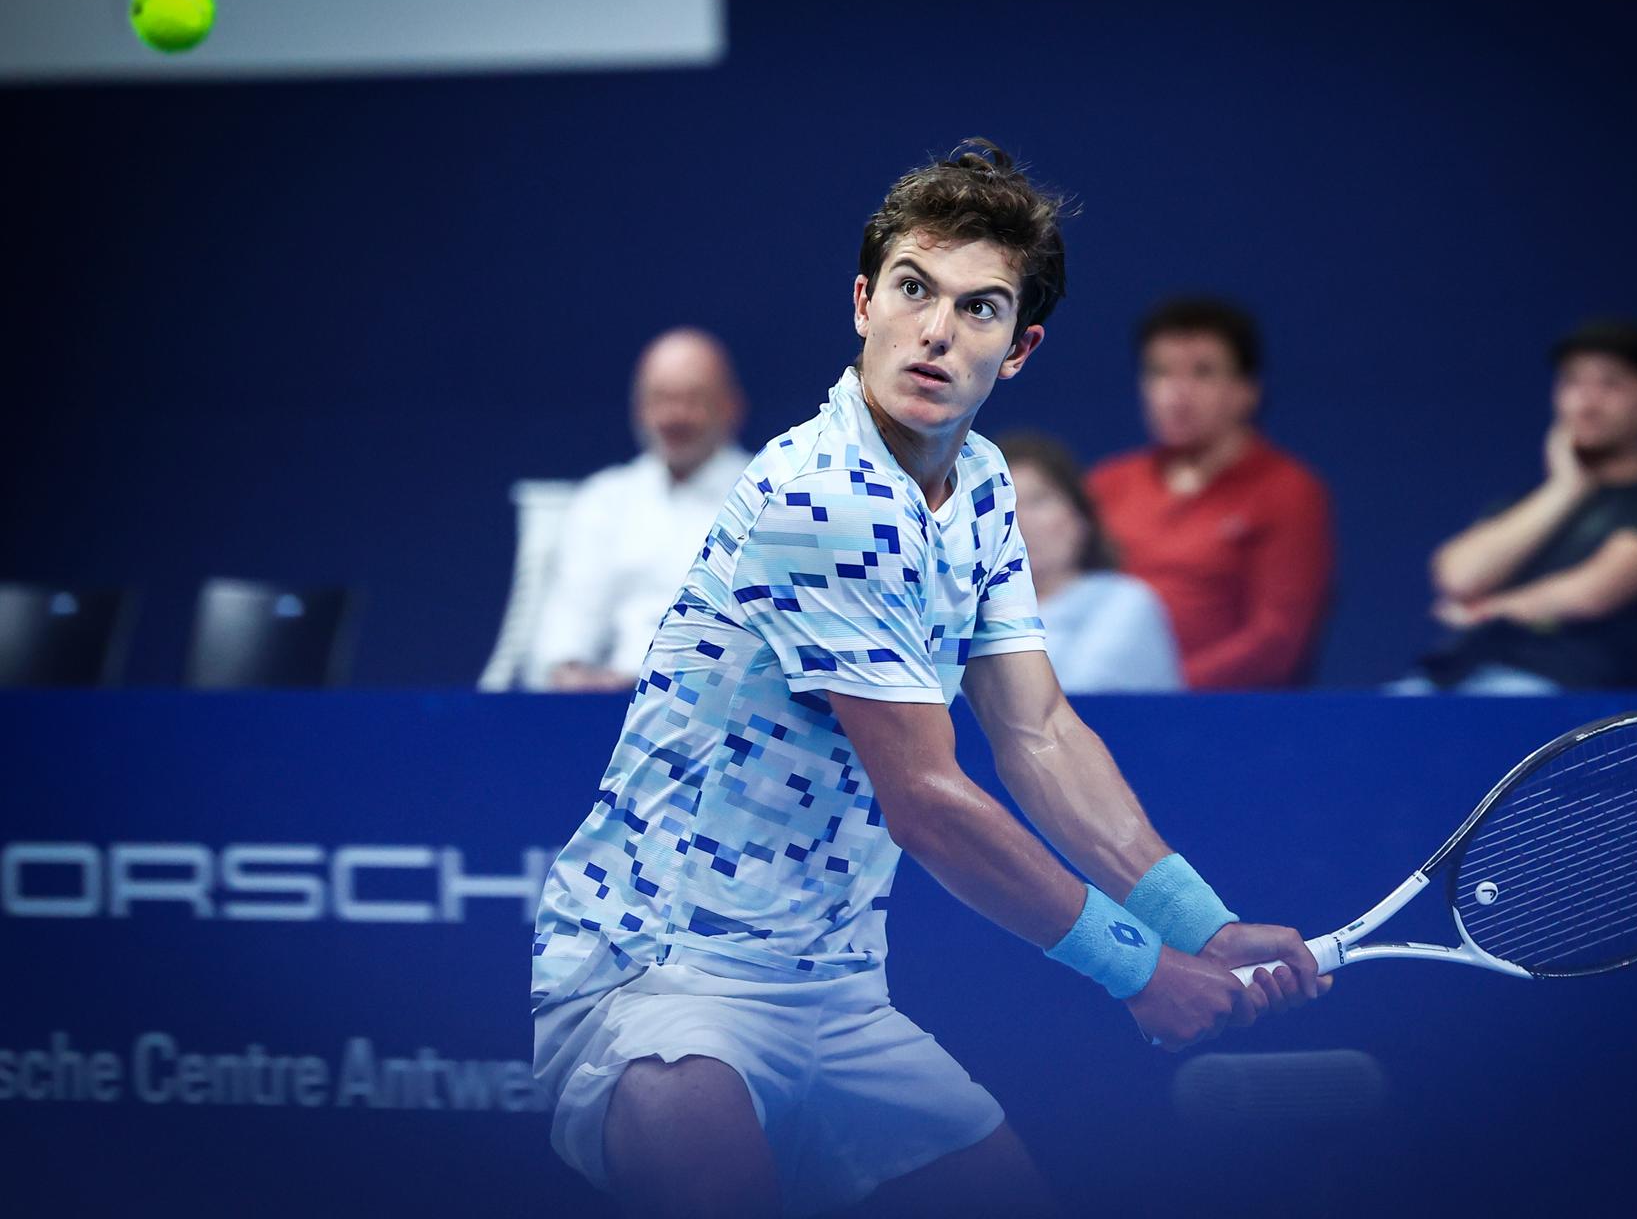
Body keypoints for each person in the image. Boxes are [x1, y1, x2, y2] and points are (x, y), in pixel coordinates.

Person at [530, 142, 1325, 1219]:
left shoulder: (984, 481)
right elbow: (929, 802)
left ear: (1021, 346)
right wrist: (1138, 967)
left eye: (980, 307)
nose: (938, 330)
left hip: (837, 986)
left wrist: (1199, 922)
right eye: (914, 289)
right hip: (660, 972)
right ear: (864, 302)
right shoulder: (827, 496)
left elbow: (1038, 731)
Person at [1395, 319, 1637, 694]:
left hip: (1572, 693)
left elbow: (1592, 592)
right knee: (1383, 708)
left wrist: (1487, 610)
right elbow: (1459, 576)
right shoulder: (1530, 502)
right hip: (1459, 678)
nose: (1587, 403)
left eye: (1611, 385)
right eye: (1573, 383)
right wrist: (1564, 488)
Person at [1087, 298, 1333, 689]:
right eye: (1160, 372)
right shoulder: (1107, 483)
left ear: (1247, 391)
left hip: (1223, 714)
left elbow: (1278, 641)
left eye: (1203, 372)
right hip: (1101, 703)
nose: (1177, 393)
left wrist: (1160, 689)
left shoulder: (1288, 490)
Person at [528, 329, 749, 692]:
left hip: (726, 702)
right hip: (613, 704)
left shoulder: (763, 495)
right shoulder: (604, 499)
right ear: (640, 408)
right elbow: (566, 632)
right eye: (661, 398)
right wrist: (572, 675)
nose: (675, 416)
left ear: (730, 406)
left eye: (693, 399)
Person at [997, 432, 1183, 693]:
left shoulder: (1127, 601)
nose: (1020, 520)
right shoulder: (967, 611)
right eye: (1003, 506)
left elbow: (1074, 695)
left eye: (1038, 501)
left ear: (1080, 517)